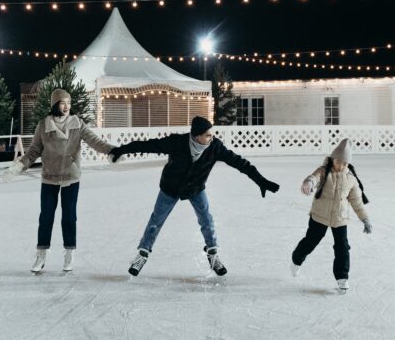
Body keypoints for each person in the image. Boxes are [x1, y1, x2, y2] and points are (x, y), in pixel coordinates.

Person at [107, 116, 280, 277]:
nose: (211, 138)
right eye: (207, 135)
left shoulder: (215, 147)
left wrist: (261, 181)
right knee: (156, 220)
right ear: (196, 136)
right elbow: (148, 145)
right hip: (171, 187)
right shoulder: (177, 142)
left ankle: (213, 255)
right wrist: (121, 150)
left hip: (196, 188)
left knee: (206, 219)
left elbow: (240, 163)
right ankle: (142, 254)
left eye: (212, 135)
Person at [4, 88, 115, 273]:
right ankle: (41, 254)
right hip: (49, 178)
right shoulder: (43, 125)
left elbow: (95, 141)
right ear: (55, 104)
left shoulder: (77, 124)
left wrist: (112, 150)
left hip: (71, 177)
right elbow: (33, 152)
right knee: (46, 217)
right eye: (63, 103)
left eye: (69, 103)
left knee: (69, 217)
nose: (66, 107)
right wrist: (18, 166)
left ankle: (69, 252)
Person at [290, 138, 371, 293]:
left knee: (342, 247)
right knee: (311, 241)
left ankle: (342, 277)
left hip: (340, 218)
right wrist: (308, 183)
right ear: (333, 158)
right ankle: (296, 260)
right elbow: (313, 178)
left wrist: (365, 219)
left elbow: (356, 201)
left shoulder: (351, 179)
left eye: (344, 163)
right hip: (320, 215)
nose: (341, 165)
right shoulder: (324, 171)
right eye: (338, 161)